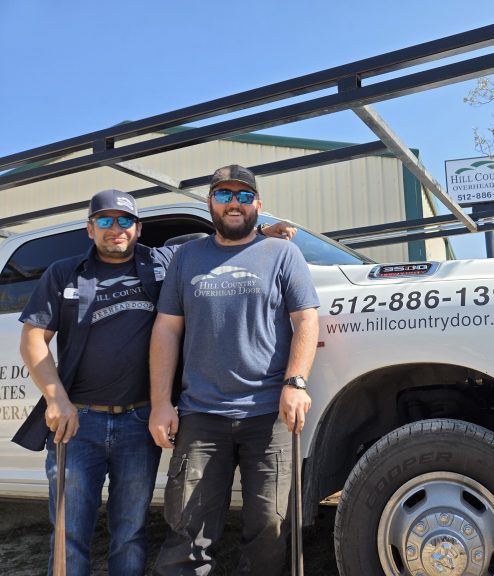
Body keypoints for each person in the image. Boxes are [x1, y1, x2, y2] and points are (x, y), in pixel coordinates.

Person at [14, 187, 294, 576]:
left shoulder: (163, 262)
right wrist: (55, 398)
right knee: (69, 534)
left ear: (138, 228)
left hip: (138, 422)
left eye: (125, 220)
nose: (117, 229)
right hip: (78, 423)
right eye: (106, 220)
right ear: (90, 229)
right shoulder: (64, 273)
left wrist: (261, 234)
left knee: (130, 532)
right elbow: (33, 339)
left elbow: (214, 244)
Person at [148, 164, 320, 576]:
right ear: (210, 203)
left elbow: (307, 319)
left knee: (271, 525)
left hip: (268, 416)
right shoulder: (186, 258)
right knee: (187, 528)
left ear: (258, 204)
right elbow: (167, 329)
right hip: (201, 415)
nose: (234, 203)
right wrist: (160, 404)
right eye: (224, 195)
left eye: (243, 196)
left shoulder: (283, 254)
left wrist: (295, 382)